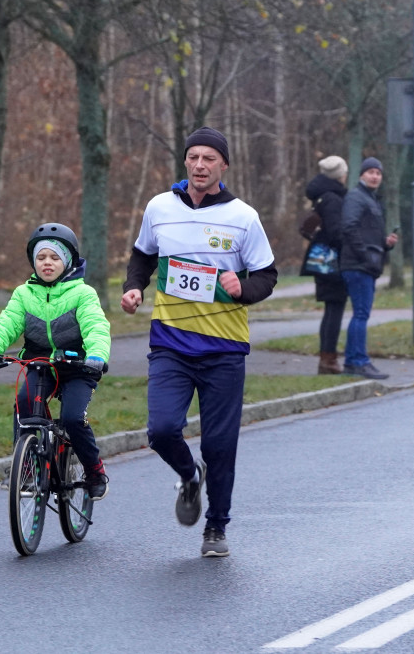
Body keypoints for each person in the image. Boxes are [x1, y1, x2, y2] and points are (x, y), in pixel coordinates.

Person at [121, 126, 277, 558]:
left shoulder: (243, 217)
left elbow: (267, 275)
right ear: (185, 162)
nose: (200, 165)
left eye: (210, 158)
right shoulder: (159, 208)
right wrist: (134, 287)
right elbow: (142, 256)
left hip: (224, 348)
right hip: (170, 342)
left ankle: (216, 527)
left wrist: (243, 286)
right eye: (194, 158)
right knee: (162, 429)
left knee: (220, 445)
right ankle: (191, 477)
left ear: (223, 166)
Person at [0, 223, 112, 500]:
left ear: (68, 261)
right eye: (41, 257)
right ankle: (26, 467)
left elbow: (96, 327)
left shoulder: (83, 294)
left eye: (54, 257)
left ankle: (95, 471)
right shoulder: (24, 294)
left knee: (73, 419)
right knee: (25, 404)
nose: (47, 263)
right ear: (33, 262)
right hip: (39, 365)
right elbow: (6, 325)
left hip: (78, 367)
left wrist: (97, 356)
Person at [339, 156, 397, 380]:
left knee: (361, 313)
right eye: (371, 172)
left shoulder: (370, 198)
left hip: (365, 263)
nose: (375, 176)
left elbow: (365, 231)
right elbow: (349, 227)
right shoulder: (356, 197)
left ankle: (354, 361)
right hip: (358, 265)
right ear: (361, 175)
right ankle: (358, 362)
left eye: (378, 173)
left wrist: (384, 244)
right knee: (361, 314)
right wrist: (365, 256)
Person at [302, 155, 349, 374]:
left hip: (322, 260)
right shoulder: (333, 198)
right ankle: (328, 360)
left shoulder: (323, 195)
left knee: (333, 307)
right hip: (331, 262)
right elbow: (335, 232)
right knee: (334, 308)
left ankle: (327, 358)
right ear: (340, 175)